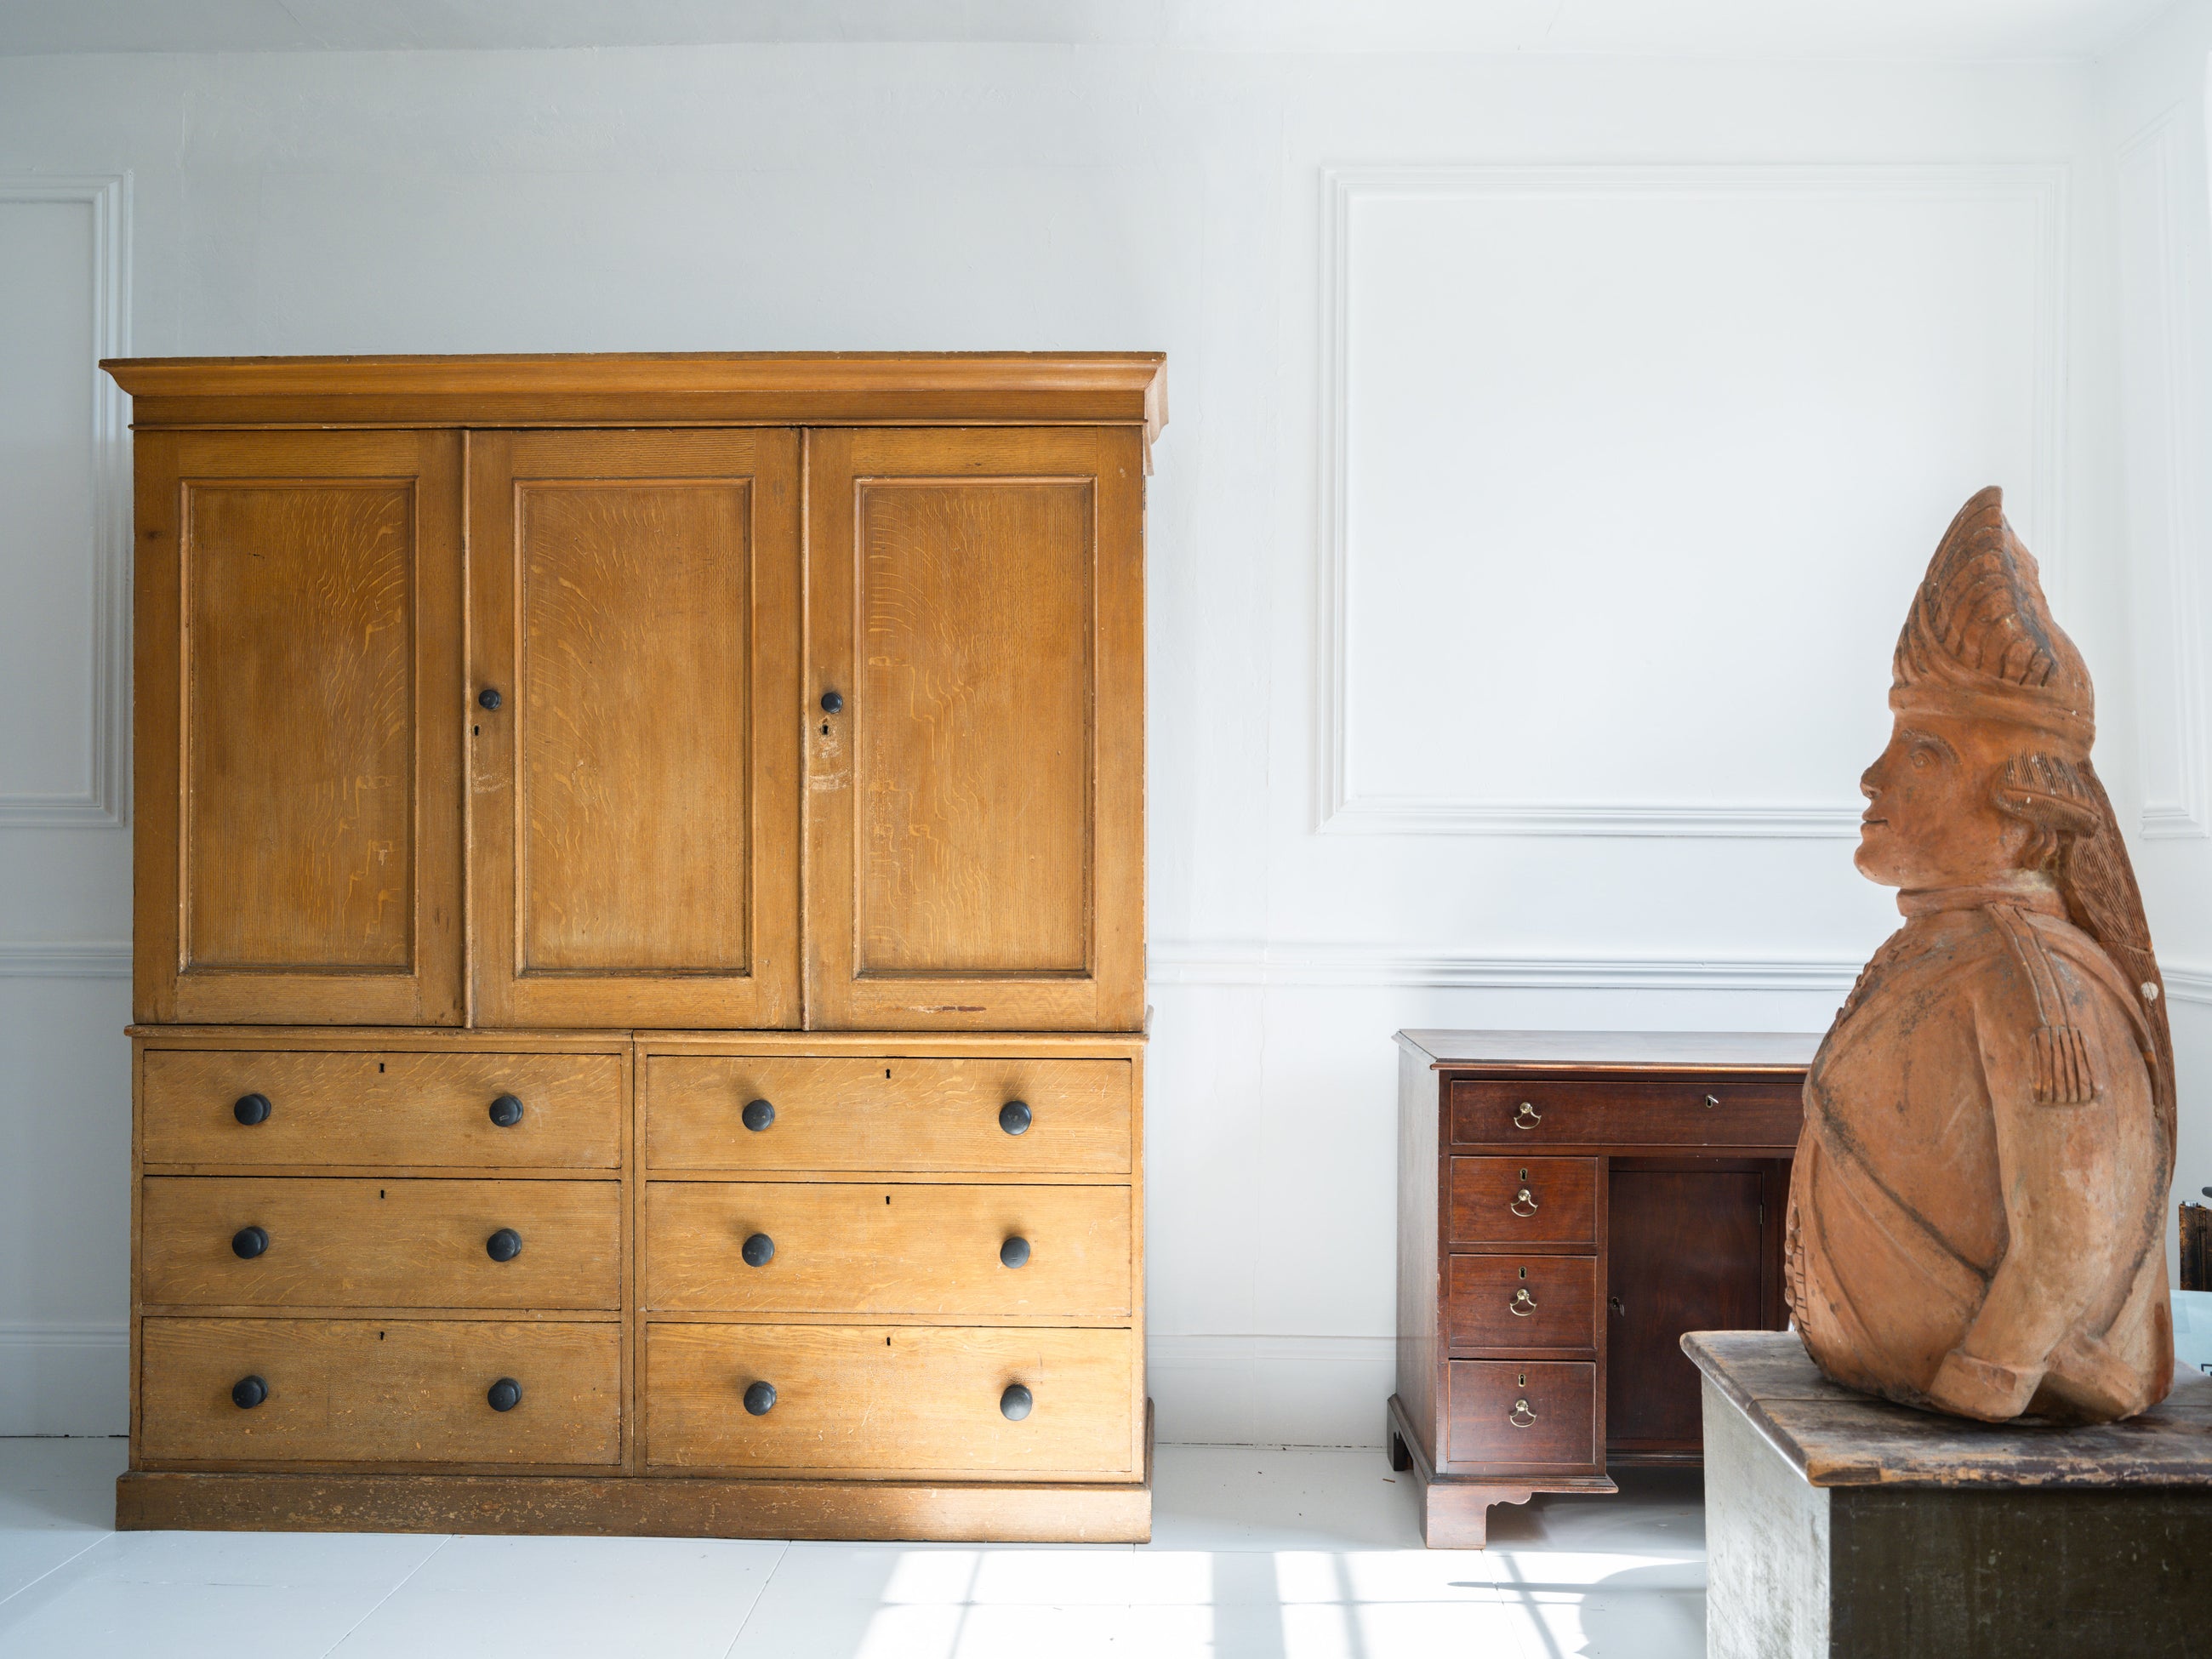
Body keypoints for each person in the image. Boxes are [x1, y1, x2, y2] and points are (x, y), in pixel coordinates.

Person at [1784, 487, 2175, 1423]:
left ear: (2022, 799)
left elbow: (2068, 1223)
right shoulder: (1931, 949)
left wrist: (1983, 1381)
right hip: (1881, 1385)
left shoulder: (2038, 987)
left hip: (1979, 1398)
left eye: (1919, 752)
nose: (1871, 775)